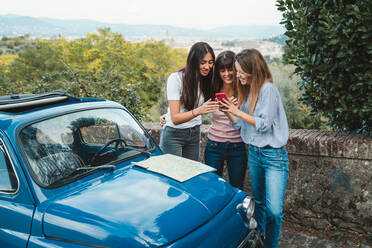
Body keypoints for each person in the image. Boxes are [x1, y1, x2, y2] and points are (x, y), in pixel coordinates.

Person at [220, 49, 289, 248]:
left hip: (274, 156)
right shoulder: (247, 91)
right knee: (258, 203)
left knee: (274, 211)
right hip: (255, 154)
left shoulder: (268, 89)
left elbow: (264, 124)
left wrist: (237, 112)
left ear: (253, 70)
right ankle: (260, 240)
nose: (237, 75)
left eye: (241, 72)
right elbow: (239, 125)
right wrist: (228, 112)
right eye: (237, 71)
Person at [159, 42, 219, 161]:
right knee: (172, 176)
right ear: (193, 61)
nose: (207, 67)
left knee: (191, 174)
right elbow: (175, 118)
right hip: (174, 135)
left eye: (210, 62)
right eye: (203, 62)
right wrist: (199, 111)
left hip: (194, 132)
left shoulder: (207, 79)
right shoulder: (176, 79)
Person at [203, 50, 247, 189]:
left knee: (237, 188)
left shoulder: (244, 91)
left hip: (237, 146)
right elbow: (191, 104)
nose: (226, 73)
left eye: (230, 69)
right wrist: (167, 117)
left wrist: (234, 111)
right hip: (214, 146)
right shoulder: (212, 89)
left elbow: (247, 121)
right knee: (212, 187)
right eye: (222, 70)